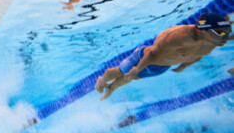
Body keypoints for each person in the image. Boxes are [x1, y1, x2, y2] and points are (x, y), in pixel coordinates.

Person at [95, 13, 232, 100]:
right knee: (121, 72)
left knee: (132, 78)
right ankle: (103, 80)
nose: (225, 38)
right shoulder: (180, 37)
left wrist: (184, 66)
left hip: (162, 67)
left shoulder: (211, 41)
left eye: (228, 33)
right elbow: (153, 53)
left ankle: (111, 88)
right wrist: (137, 68)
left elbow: (197, 55)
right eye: (221, 34)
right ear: (205, 30)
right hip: (143, 58)